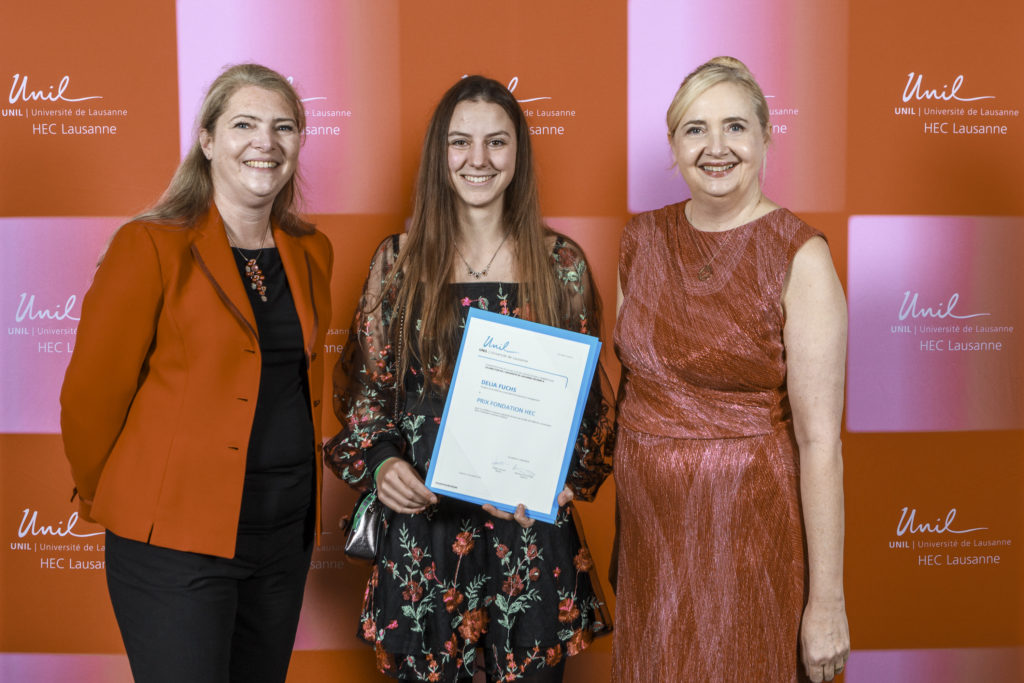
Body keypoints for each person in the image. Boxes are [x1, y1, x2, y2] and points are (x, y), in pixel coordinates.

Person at [326, 75, 614, 683]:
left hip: (527, 531)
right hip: (425, 532)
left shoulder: (561, 265)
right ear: (441, 153)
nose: (478, 159)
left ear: (519, 155)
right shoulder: (398, 262)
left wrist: (565, 477)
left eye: (496, 142)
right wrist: (382, 462)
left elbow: (586, 404)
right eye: (461, 141)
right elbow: (368, 393)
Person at [59, 63, 333, 683]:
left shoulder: (313, 250)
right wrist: (127, 499)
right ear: (207, 140)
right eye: (244, 125)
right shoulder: (150, 245)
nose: (265, 142)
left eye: (283, 127)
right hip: (174, 541)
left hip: (282, 537)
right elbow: (89, 399)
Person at [611, 56, 850, 683]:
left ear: (766, 136)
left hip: (753, 549)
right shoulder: (638, 241)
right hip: (651, 550)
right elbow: (629, 394)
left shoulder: (802, 257)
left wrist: (827, 602)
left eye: (735, 127)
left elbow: (820, 443)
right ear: (673, 145)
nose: (715, 147)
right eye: (696, 129)